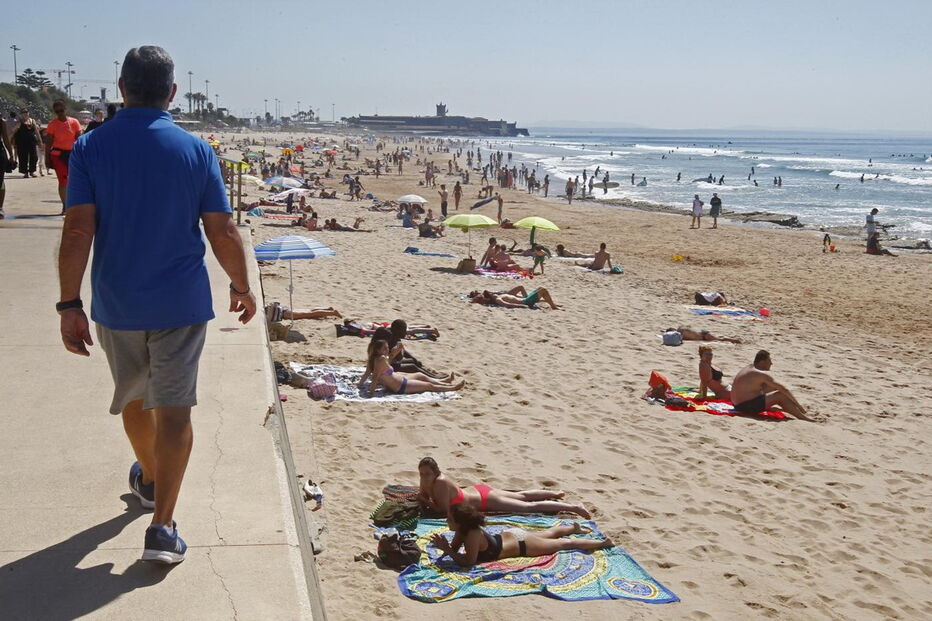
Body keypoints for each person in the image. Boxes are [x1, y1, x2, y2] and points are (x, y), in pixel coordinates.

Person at [58, 46, 257, 565]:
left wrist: (68, 303)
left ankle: (148, 477)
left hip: (118, 302)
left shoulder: (91, 146)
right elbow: (222, 230)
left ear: (122, 88)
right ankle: (162, 527)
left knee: (132, 399)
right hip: (179, 304)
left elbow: (78, 229)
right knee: (174, 410)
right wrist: (241, 286)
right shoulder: (196, 151)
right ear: (171, 93)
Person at [431, 503, 611, 567]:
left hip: (522, 544)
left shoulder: (472, 533)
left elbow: (468, 562)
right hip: (511, 536)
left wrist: (447, 550)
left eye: (450, 519)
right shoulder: (462, 530)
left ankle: (602, 543)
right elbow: (454, 550)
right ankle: (573, 528)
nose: (447, 521)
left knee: (564, 544)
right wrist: (445, 547)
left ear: (460, 522)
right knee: (548, 533)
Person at [418, 457, 590, 518]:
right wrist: (424, 498)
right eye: (422, 473)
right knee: (522, 495)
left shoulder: (441, 482)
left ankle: (574, 507)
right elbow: (424, 494)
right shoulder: (426, 480)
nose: (424, 477)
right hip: (477, 490)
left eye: (427, 473)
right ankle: (554, 494)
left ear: (435, 472)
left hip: (484, 500)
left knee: (528, 506)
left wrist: (426, 501)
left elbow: (443, 510)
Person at [730, 351, 813, 421]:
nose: (771, 363)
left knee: (773, 387)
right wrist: (799, 406)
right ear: (762, 362)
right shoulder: (760, 374)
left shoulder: (749, 368)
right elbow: (784, 389)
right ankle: (803, 417)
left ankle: (793, 409)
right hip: (745, 407)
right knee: (780, 395)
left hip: (737, 404)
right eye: (769, 360)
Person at [361, 340, 464, 394]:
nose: (387, 350)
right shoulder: (381, 359)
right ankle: (452, 388)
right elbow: (375, 377)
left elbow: (367, 374)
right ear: (378, 350)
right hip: (400, 386)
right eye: (385, 348)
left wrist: (359, 385)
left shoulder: (374, 359)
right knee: (429, 386)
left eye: (387, 348)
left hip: (400, 380)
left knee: (420, 375)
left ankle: (445, 381)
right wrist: (371, 393)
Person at [45, 99, 83, 212]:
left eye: (61, 110)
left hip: (72, 155)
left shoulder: (74, 122)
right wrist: (47, 158)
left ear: (65, 109)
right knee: (63, 181)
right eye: (57, 112)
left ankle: (74, 204)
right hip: (58, 155)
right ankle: (65, 206)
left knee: (74, 180)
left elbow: (80, 140)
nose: (60, 113)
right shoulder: (52, 124)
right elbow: (48, 143)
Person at [470, 287, 561, 309]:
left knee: (540, 288)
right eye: (491, 294)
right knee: (543, 290)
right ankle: (554, 307)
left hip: (525, 300)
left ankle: (552, 304)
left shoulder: (497, 296)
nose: (493, 293)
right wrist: (521, 306)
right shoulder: (498, 299)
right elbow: (508, 305)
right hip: (526, 302)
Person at [13, 109, 42, 178]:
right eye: (23, 112)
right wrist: (17, 127)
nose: (25, 113)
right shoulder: (19, 121)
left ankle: (32, 171)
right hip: (22, 142)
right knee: (23, 157)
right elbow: (13, 130)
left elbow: (37, 132)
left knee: (34, 156)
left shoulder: (32, 121)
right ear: (21, 114)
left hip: (32, 141)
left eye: (26, 112)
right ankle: (25, 172)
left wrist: (40, 141)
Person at [265, 301, 341, 323]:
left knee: (309, 314)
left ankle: (332, 313)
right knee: (308, 311)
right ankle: (327, 309)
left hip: (283, 314)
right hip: (282, 309)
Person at [0, 115, 14, 219]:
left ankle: (0, 207)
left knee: (0, 181)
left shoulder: (2, 121)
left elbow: (5, 139)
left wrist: (11, 154)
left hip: (0, 153)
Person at [671, 326, 741, 344]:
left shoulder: (680, 333)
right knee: (719, 339)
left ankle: (735, 340)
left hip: (703, 335)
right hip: (702, 333)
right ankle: (734, 340)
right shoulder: (681, 330)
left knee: (720, 340)